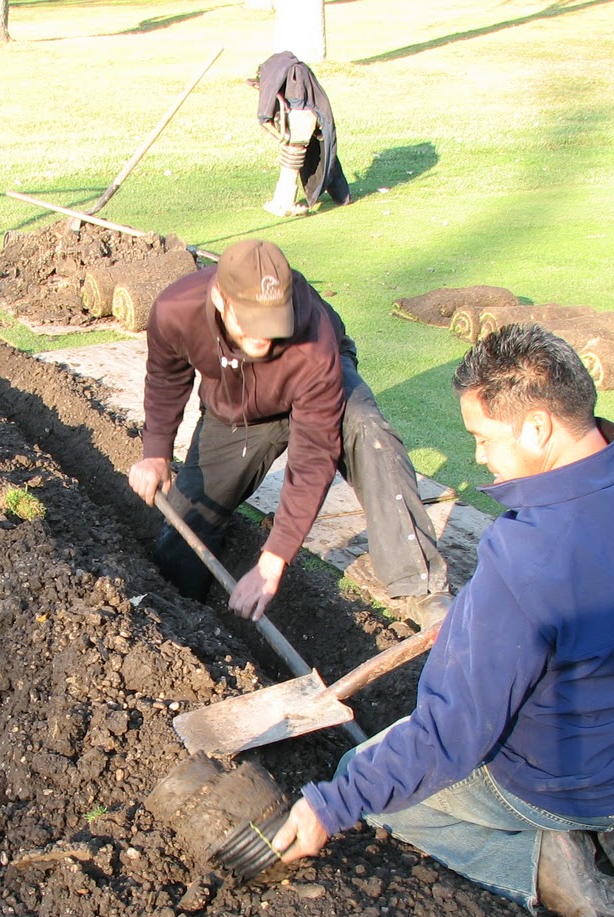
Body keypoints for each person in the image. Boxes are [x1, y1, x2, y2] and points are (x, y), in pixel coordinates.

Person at [267, 323, 614, 917]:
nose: (478, 456)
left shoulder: (526, 557)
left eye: (482, 437)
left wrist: (333, 804)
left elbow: (452, 734)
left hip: (557, 785)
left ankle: (544, 864)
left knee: (373, 781)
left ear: (536, 428)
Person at [126, 238, 450, 625]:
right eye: (250, 325)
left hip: (316, 387)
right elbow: (166, 378)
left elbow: (313, 456)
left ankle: (421, 585)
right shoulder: (176, 310)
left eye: (272, 324)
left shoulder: (313, 339)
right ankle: (183, 620)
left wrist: (273, 560)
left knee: (367, 430)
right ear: (219, 300)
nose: (263, 338)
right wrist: (156, 452)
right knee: (186, 524)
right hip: (238, 407)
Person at [254, 52, 351, 218]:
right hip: (303, 112)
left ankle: (285, 202)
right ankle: (340, 195)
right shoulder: (290, 74)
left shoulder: (289, 77)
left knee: (296, 156)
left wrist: (280, 135)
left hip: (302, 115)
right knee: (319, 154)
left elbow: (265, 118)